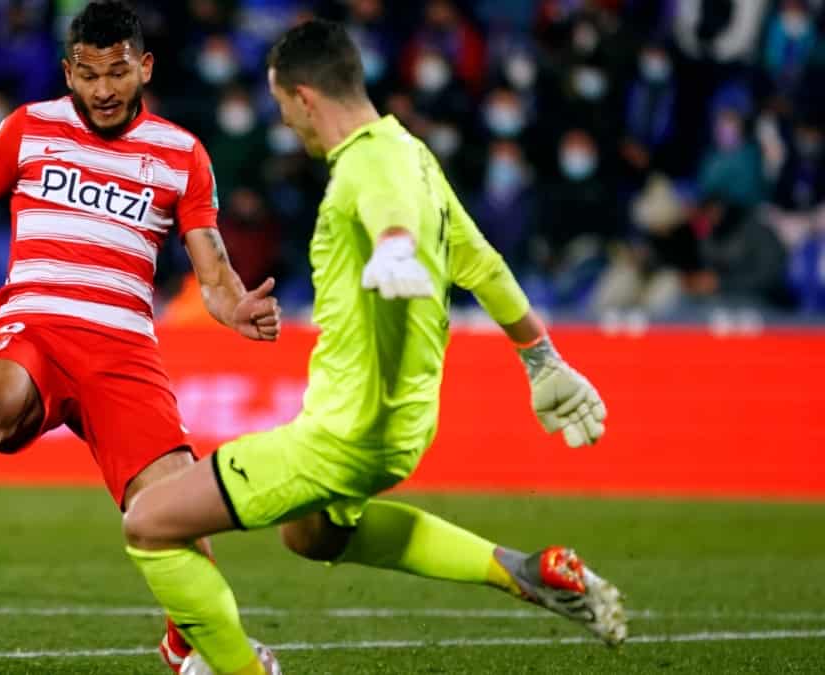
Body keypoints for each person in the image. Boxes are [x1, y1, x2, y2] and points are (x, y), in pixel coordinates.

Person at [121, 20, 626, 675]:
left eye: (282, 108)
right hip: (403, 425)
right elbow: (485, 265)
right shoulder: (411, 151)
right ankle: (523, 571)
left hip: (345, 432)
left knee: (149, 522)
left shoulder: (369, 162)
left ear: (305, 97)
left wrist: (393, 245)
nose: (287, 124)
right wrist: (541, 357)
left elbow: (390, 211)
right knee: (311, 533)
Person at [0, 3, 280, 671]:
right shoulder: (28, 127)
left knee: (177, 506)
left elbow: (210, 265)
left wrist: (233, 305)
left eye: (117, 73)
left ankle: (184, 642)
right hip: (35, 322)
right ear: (68, 70)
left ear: (144, 67)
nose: (102, 90)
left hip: (123, 349)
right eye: (87, 75)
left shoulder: (182, 153)